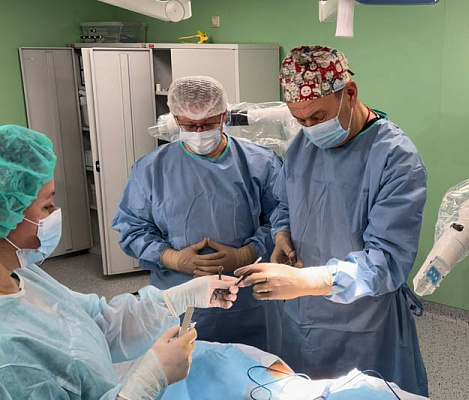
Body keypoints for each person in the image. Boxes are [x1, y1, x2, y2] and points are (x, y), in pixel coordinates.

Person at [235, 45, 429, 396]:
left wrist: (308, 279)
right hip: (303, 314)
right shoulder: (303, 145)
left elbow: (387, 261)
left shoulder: (395, 158)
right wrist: (282, 235)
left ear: (350, 94)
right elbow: (286, 201)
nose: (309, 128)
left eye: (318, 117)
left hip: (363, 320)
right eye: (300, 120)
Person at [0, 124, 239, 399]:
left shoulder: (23, 276)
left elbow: (97, 322)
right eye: (46, 206)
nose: (56, 212)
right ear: (6, 214)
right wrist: (147, 383)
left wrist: (178, 299)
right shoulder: (7, 353)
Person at [112, 76, 283, 353]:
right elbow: (133, 228)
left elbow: (281, 220)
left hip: (246, 295)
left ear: (224, 116)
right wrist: (173, 258)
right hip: (178, 295)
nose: (199, 132)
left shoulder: (260, 162)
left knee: (252, 369)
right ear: (175, 120)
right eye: (190, 126)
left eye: (208, 124)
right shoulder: (151, 168)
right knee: (181, 367)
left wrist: (245, 254)